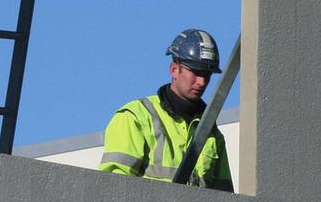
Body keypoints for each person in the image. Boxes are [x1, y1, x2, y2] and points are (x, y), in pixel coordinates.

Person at [98, 28, 233, 192]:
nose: (202, 82)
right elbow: (112, 191)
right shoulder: (136, 117)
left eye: (207, 75)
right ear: (174, 69)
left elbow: (225, 201)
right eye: (196, 72)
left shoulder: (212, 134)